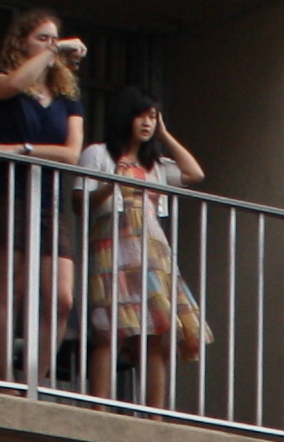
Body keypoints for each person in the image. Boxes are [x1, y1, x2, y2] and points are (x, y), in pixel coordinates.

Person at [0, 10, 87, 384]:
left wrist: (22, 149)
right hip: (8, 192)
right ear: (22, 42)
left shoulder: (66, 97)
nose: (50, 45)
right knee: (13, 287)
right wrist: (53, 51)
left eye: (53, 38)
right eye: (42, 38)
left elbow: (72, 154)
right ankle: (4, 377)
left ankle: (34, 379)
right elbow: (11, 84)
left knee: (61, 297)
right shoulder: (1, 82)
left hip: (49, 198)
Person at [83, 88, 203, 398]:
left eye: (153, 117)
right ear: (126, 116)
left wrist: (165, 135)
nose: (148, 123)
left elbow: (194, 173)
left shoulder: (157, 164)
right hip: (112, 247)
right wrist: (112, 185)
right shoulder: (98, 154)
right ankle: (100, 409)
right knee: (108, 329)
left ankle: (155, 418)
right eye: (142, 115)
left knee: (153, 332)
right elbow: (80, 202)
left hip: (151, 252)